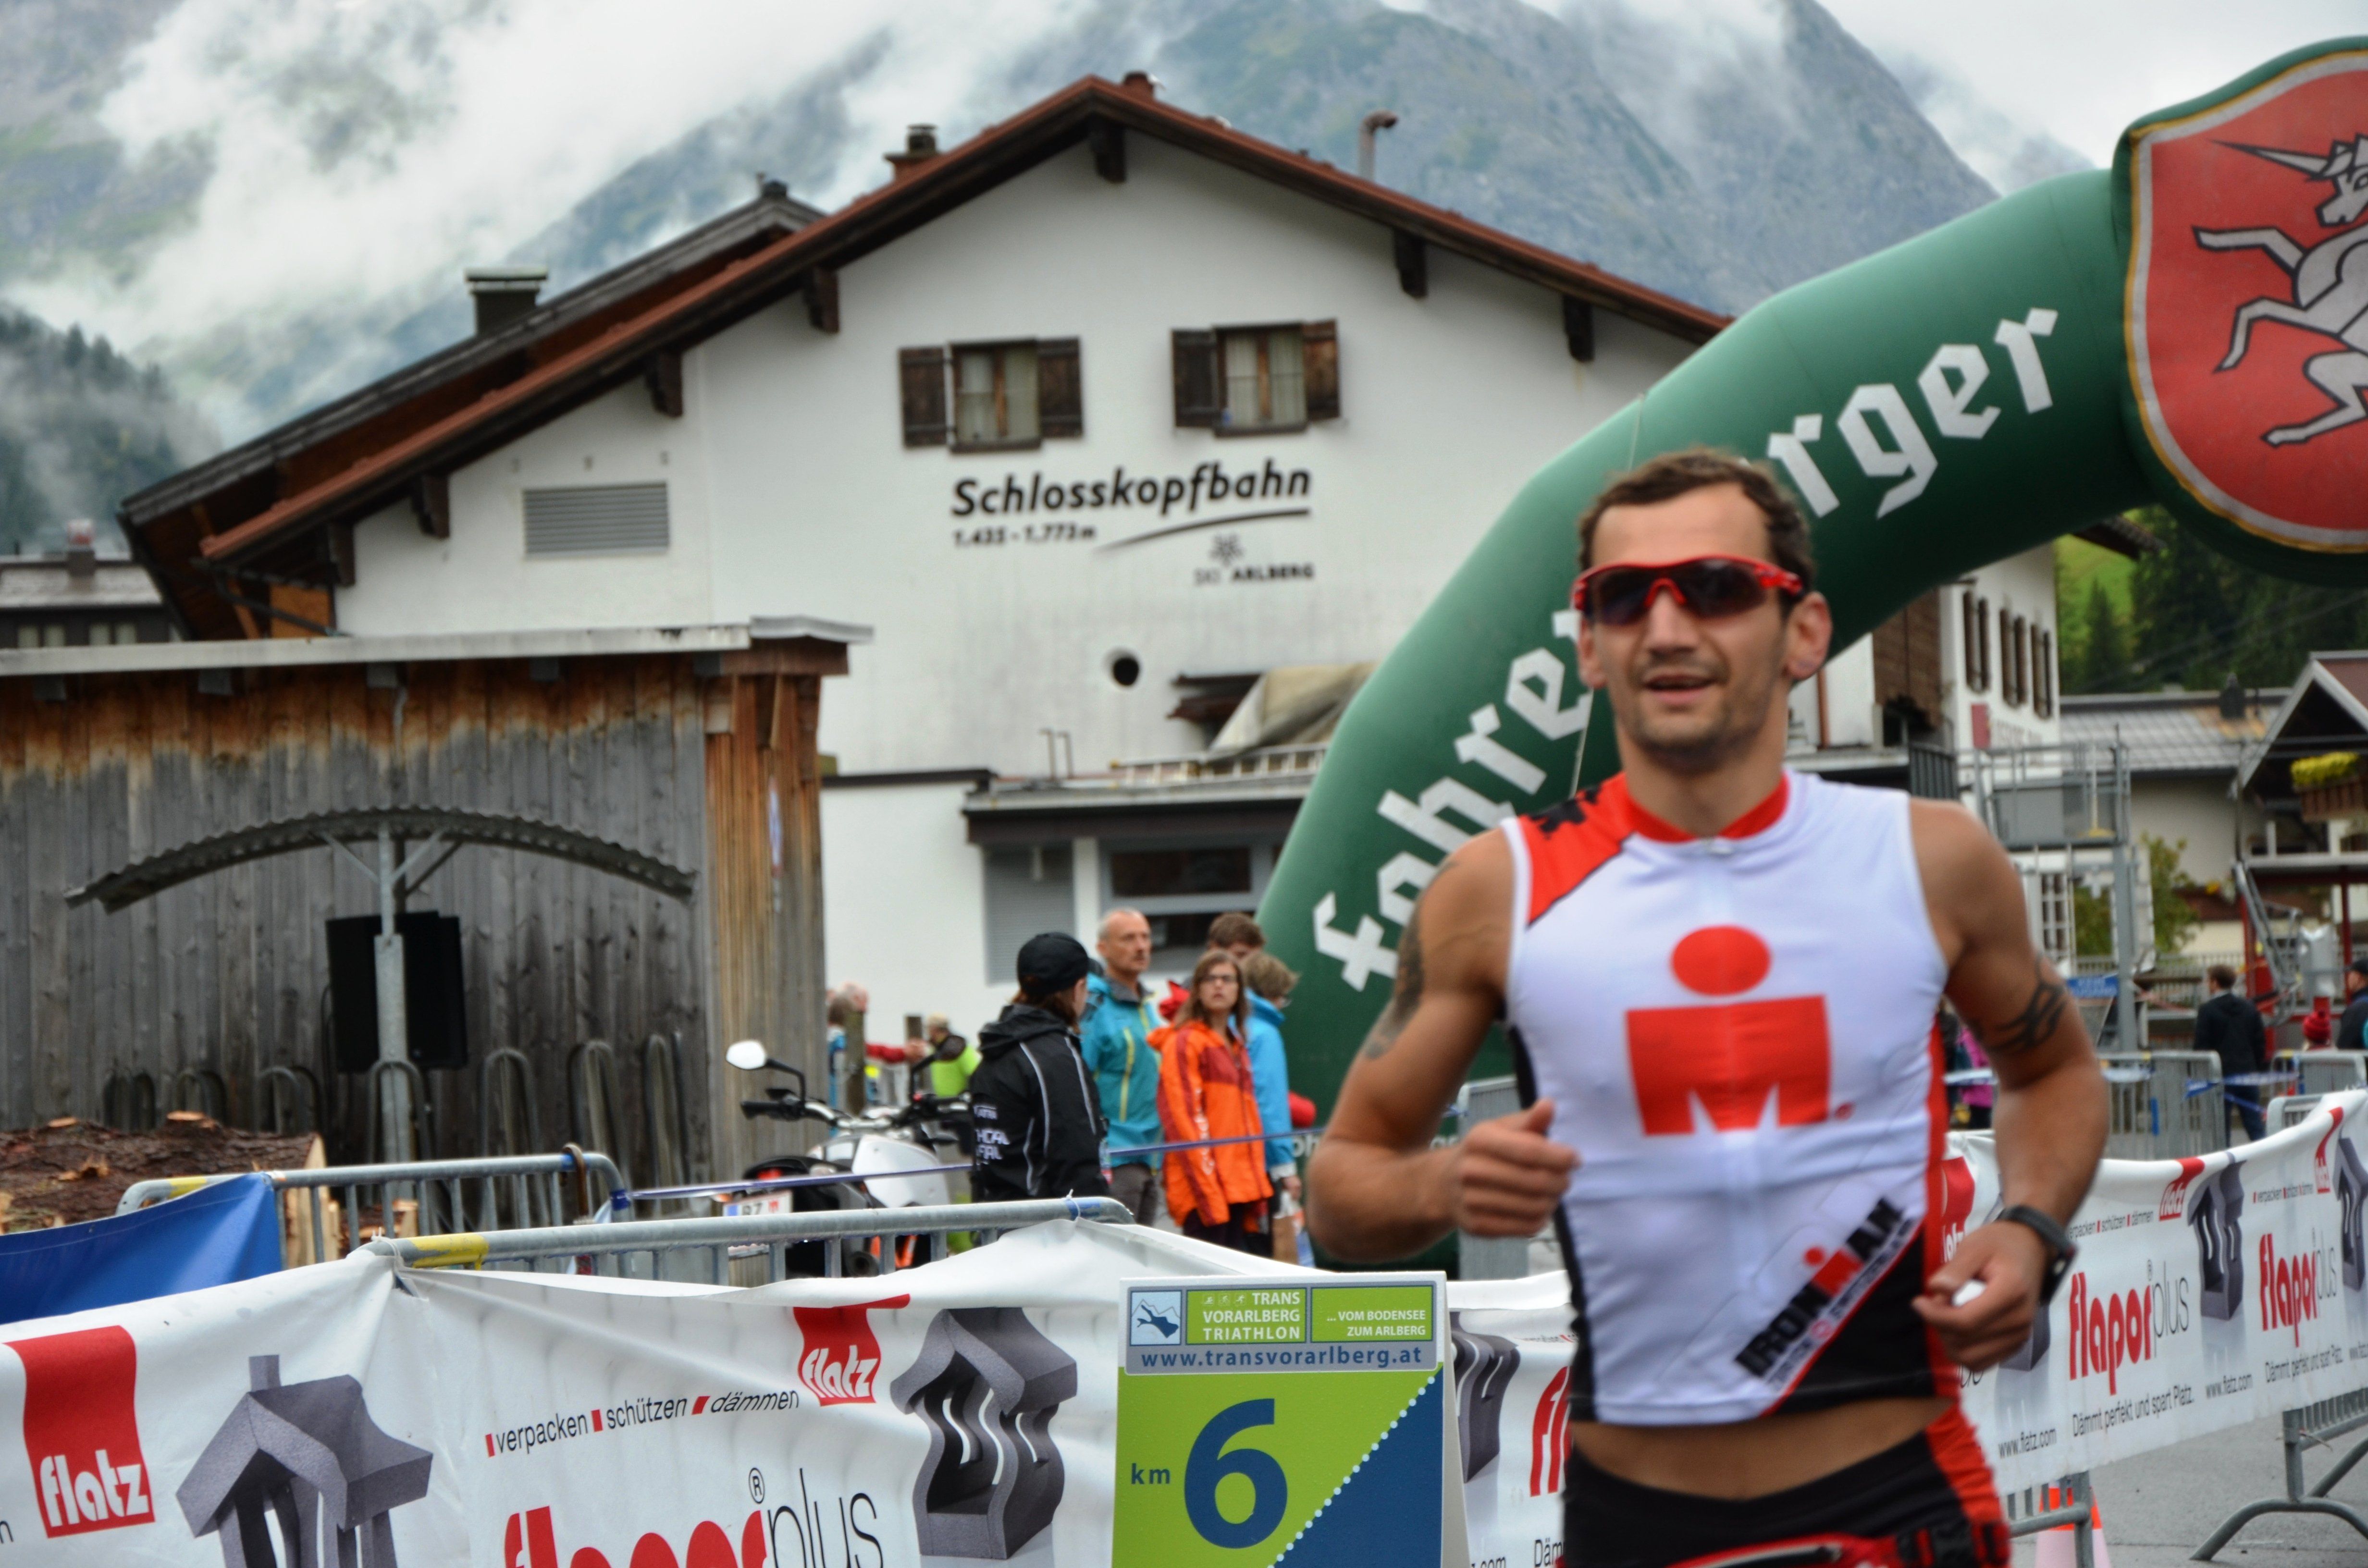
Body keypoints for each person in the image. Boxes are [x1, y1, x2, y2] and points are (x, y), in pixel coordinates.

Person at [1306, 449, 2107, 1568]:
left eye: (1717, 589)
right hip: (1636, 1525)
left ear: (1805, 631)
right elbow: (1338, 1184)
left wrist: (2029, 1230)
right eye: (1624, 598)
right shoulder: (1494, 891)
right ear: (1588, 645)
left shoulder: (1931, 860)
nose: (1667, 628)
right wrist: (1442, 1184)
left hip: (1896, 1501)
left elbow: (2054, 1071)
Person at [969, 933, 1108, 1205]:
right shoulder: (1055, 1055)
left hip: (995, 1218)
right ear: (1079, 988)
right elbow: (1076, 1158)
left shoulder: (997, 1047)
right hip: (1046, 1222)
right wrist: (1099, 1218)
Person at [1156, 949, 1272, 1252]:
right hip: (1204, 1191)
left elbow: (1249, 1122)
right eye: (1210, 979)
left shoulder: (1237, 1045)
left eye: (1227, 979)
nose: (1219, 985)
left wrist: (1255, 1189)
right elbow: (1184, 1122)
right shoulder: (1186, 1041)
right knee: (1205, 1280)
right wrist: (1209, 1194)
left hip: (1237, 1188)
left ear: (1239, 990)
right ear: (1197, 988)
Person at [1082, 908, 1164, 1225]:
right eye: (1128, 938)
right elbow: (1077, 1083)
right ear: (1102, 948)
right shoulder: (1094, 1005)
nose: (1141, 946)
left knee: (1144, 1253)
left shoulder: (1145, 1005)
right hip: (1114, 1160)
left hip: (1150, 1156)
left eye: (1145, 937)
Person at [1240, 951, 1305, 1210]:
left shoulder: (1230, 1023)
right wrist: (1285, 1166)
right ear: (1272, 993)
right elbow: (1270, 1103)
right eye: (1282, 997)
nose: (1281, 1005)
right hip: (1260, 1164)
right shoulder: (1266, 1035)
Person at [2194, 963, 2269, 1141]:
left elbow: (2202, 1045)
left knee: (2221, 1127)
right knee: (2254, 1123)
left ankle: (2225, 1158)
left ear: (2215, 983)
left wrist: (2199, 1072)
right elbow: (2259, 1042)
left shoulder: (2207, 1010)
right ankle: (2265, 1156)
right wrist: (2256, 1066)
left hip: (2219, 1074)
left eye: (2208, 981)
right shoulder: (2249, 1008)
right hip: (2247, 1072)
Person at [903, 1013, 980, 1099]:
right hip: (941, 1101)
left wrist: (969, 1096)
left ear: (934, 1029)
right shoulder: (935, 1049)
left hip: (958, 1102)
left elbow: (976, 1073)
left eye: (928, 1028)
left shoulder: (961, 1048)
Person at [2336, 958, 2368, 1052]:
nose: (2348, 978)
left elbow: (2345, 1048)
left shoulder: (2357, 1009)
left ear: (2358, 978)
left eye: (2350, 974)